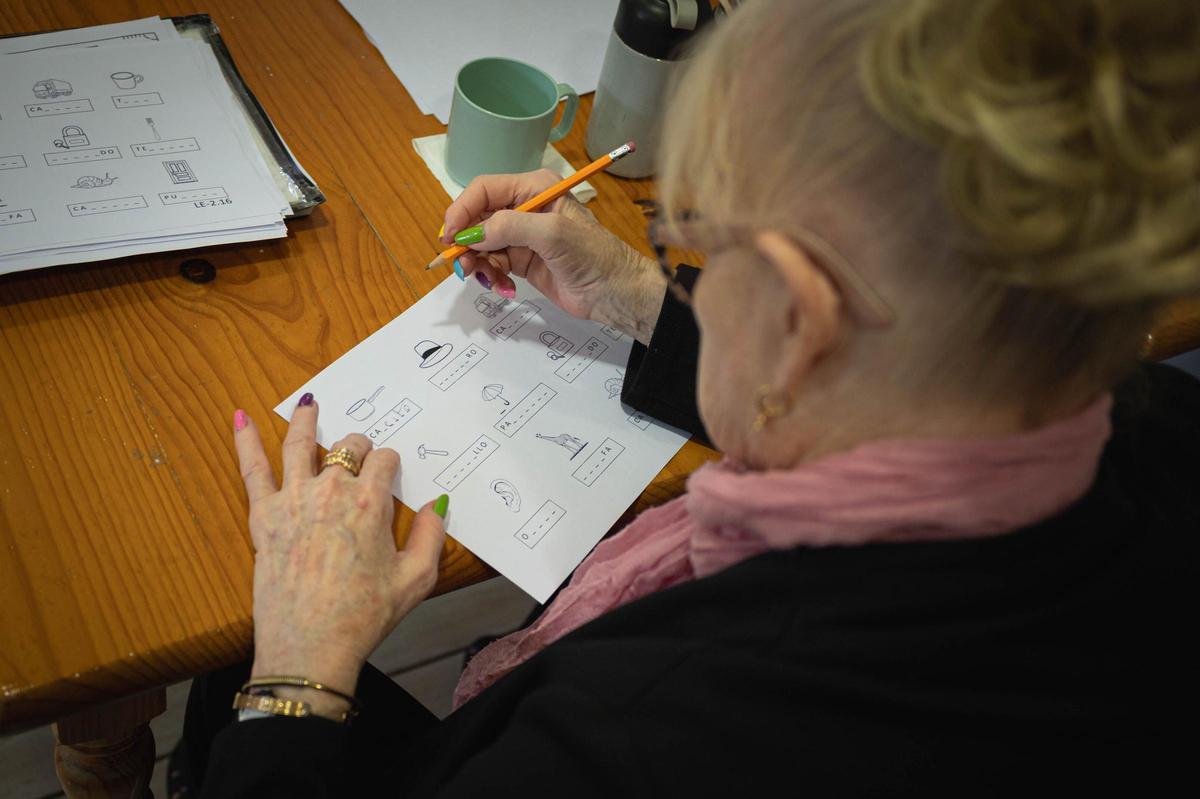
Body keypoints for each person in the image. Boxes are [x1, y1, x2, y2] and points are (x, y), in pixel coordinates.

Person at [181, 0, 1200, 795]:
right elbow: (914, 383)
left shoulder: (635, 736)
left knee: (228, 681)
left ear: (800, 318)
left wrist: (297, 673)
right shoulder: (1152, 430)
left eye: (697, 233)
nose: (686, 257)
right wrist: (637, 292)